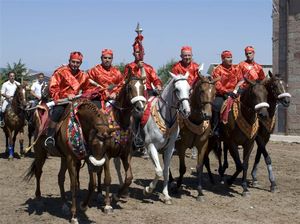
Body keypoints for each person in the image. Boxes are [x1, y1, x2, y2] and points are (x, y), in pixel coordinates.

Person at [44, 51, 89, 148]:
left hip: (77, 101)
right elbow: (53, 88)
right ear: (69, 61)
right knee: (57, 112)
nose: (75, 64)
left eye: (78, 62)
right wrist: (66, 95)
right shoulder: (60, 72)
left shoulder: (84, 76)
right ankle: (50, 136)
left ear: (80, 63)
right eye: (73, 62)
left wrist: (85, 95)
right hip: (62, 101)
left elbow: (87, 89)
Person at [211, 50, 242, 137]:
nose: (230, 59)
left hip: (235, 93)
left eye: (231, 57)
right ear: (223, 59)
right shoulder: (217, 69)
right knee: (216, 106)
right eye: (228, 57)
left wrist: (237, 90)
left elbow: (241, 81)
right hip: (222, 94)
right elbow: (217, 85)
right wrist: (227, 92)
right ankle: (215, 129)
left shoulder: (236, 68)